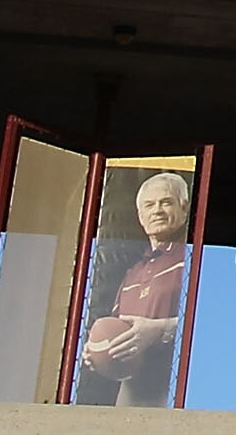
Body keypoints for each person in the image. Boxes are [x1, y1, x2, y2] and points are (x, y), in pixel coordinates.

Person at [78, 170, 192, 406]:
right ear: (140, 216)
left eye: (166, 202)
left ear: (184, 207)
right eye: (150, 205)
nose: (157, 210)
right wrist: (96, 347)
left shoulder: (194, 259)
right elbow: (116, 325)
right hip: (131, 393)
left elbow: (212, 324)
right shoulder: (133, 273)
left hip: (175, 390)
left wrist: (159, 329)